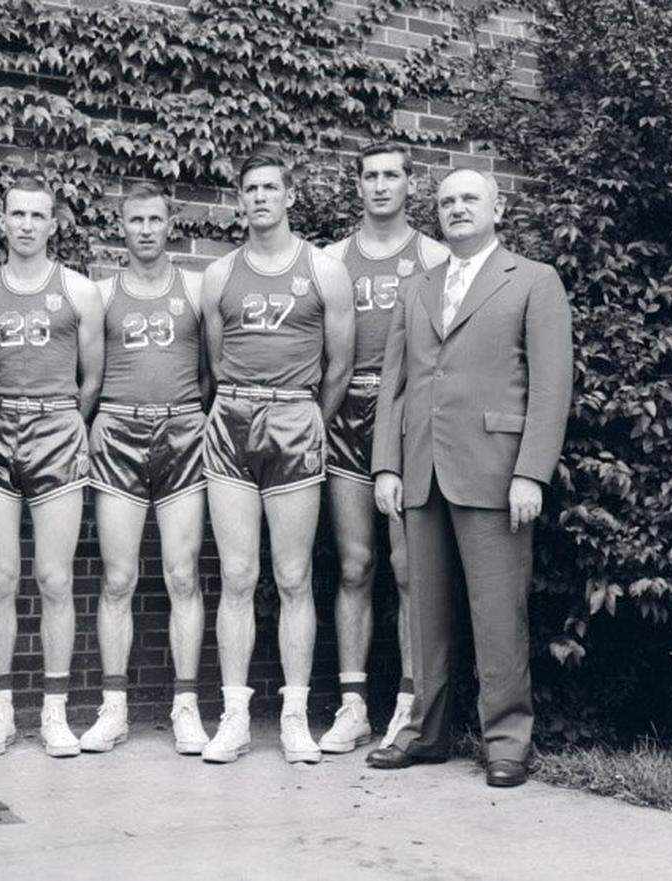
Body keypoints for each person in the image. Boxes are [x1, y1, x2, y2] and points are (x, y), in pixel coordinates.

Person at [365, 168, 573, 787]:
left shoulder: (534, 281)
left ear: (496, 207)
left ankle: (507, 741)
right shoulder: (417, 287)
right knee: (424, 612)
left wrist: (531, 473)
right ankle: (425, 733)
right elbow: (394, 384)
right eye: (448, 201)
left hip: (496, 471)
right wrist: (386, 465)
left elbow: (551, 386)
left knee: (497, 612)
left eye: (469, 199)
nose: (457, 208)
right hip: (422, 469)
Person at [200, 152, 354, 764]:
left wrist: (315, 415)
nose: (261, 197)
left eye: (271, 187)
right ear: (239, 200)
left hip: (295, 416)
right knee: (237, 576)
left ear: (289, 195)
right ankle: (234, 716)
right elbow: (214, 362)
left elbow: (339, 363)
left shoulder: (324, 270)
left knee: (292, 577)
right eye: (250, 189)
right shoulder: (218, 275)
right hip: (233, 418)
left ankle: (294, 716)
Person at [318, 143, 449, 754]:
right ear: (358, 186)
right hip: (347, 412)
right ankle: (353, 705)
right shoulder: (330, 261)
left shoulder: (434, 257)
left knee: (407, 569)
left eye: (390, 176)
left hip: (404, 421)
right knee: (353, 565)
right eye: (369, 176)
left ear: (409, 186)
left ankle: (409, 702)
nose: (379, 186)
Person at [0, 175, 104, 758]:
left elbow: (91, 376)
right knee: (0, 578)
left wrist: (68, 423)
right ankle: (0, 713)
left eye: (37, 216)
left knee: (54, 578)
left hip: (54, 427)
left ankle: (54, 712)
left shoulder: (79, 291)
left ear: (54, 225)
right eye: (17, 214)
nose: (26, 225)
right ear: (2, 220)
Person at [79, 183, 211, 755]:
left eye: (156, 219)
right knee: (118, 578)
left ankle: (186, 706)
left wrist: (187, 414)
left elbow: (211, 370)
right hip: (118, 430)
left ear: (169, 225)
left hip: (181, 428)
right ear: (122, 227)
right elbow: (90, 372)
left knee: (183, 574)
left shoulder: (199, 289)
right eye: (136, 220)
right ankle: (114, 708)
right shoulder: (100, 295)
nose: (146, 230)